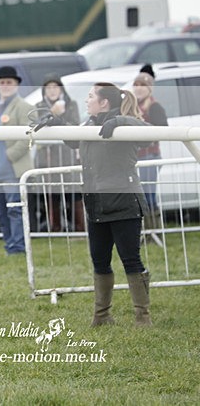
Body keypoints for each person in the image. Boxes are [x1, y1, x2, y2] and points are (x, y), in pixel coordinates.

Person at [59, 82, 153, 326]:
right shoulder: (88, 124)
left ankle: (143, 317)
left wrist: (120, 121)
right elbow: (71, 141)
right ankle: (101, 316)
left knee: (130, 260)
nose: (86, 100)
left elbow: (147, 131)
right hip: (96, 203)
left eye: (90, 96)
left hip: (124, 202)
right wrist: (55, 124)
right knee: (99, 261)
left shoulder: (125, 122)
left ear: (104, 103)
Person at [0, 66, 34, 255]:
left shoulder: (23, 107)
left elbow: (29, 135)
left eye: (9, 82)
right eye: (2, 82)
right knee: (1, 211)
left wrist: (9, 155)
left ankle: (18, 246)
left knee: (15, 210)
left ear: (16, 85)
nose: (5, 86)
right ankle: (9, 243)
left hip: (12, 169)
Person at [33, 76, 83, 232]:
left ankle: (80, 227)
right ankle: (55, 227)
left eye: (55, 87)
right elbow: (38, 126)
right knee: (52, 193)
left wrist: (58, 116)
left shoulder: (71, 104)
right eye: (48, 87)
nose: (52, 91)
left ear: (61, 89)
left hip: (67, 154)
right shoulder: (39, 106)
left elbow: (73, 125)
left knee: (73, 192)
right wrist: (52, 113)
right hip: (48, 156)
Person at [132, 64, 168, 230]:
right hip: (137, 157)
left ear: (150, 88)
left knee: (149, 195)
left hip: (150, 156)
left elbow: (163, 130)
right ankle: (147, 231)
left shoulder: (155, 107)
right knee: (141, 195)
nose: (138, 89)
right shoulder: (132, 108)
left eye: (143, 86)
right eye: (136, 85)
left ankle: (154, 230)